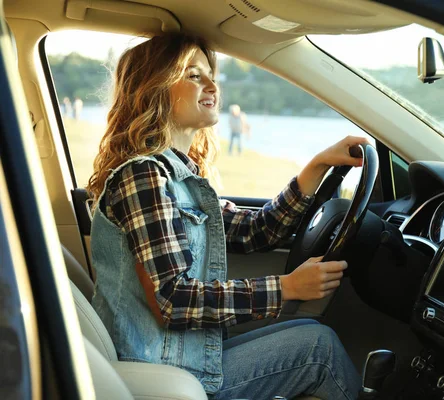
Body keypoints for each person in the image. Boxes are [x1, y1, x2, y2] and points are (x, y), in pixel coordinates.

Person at [87, 34, 367, 400]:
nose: (211, 84)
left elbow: (256, 231)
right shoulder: (143, 178)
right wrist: (288, 287)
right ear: (154, 88)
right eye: (193, 75)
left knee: (309, 331)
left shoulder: (180, 180)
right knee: (320, 349)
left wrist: (316, 166)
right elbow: (174, 299)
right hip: (162, 374)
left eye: (210, 74)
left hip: (185, 360)